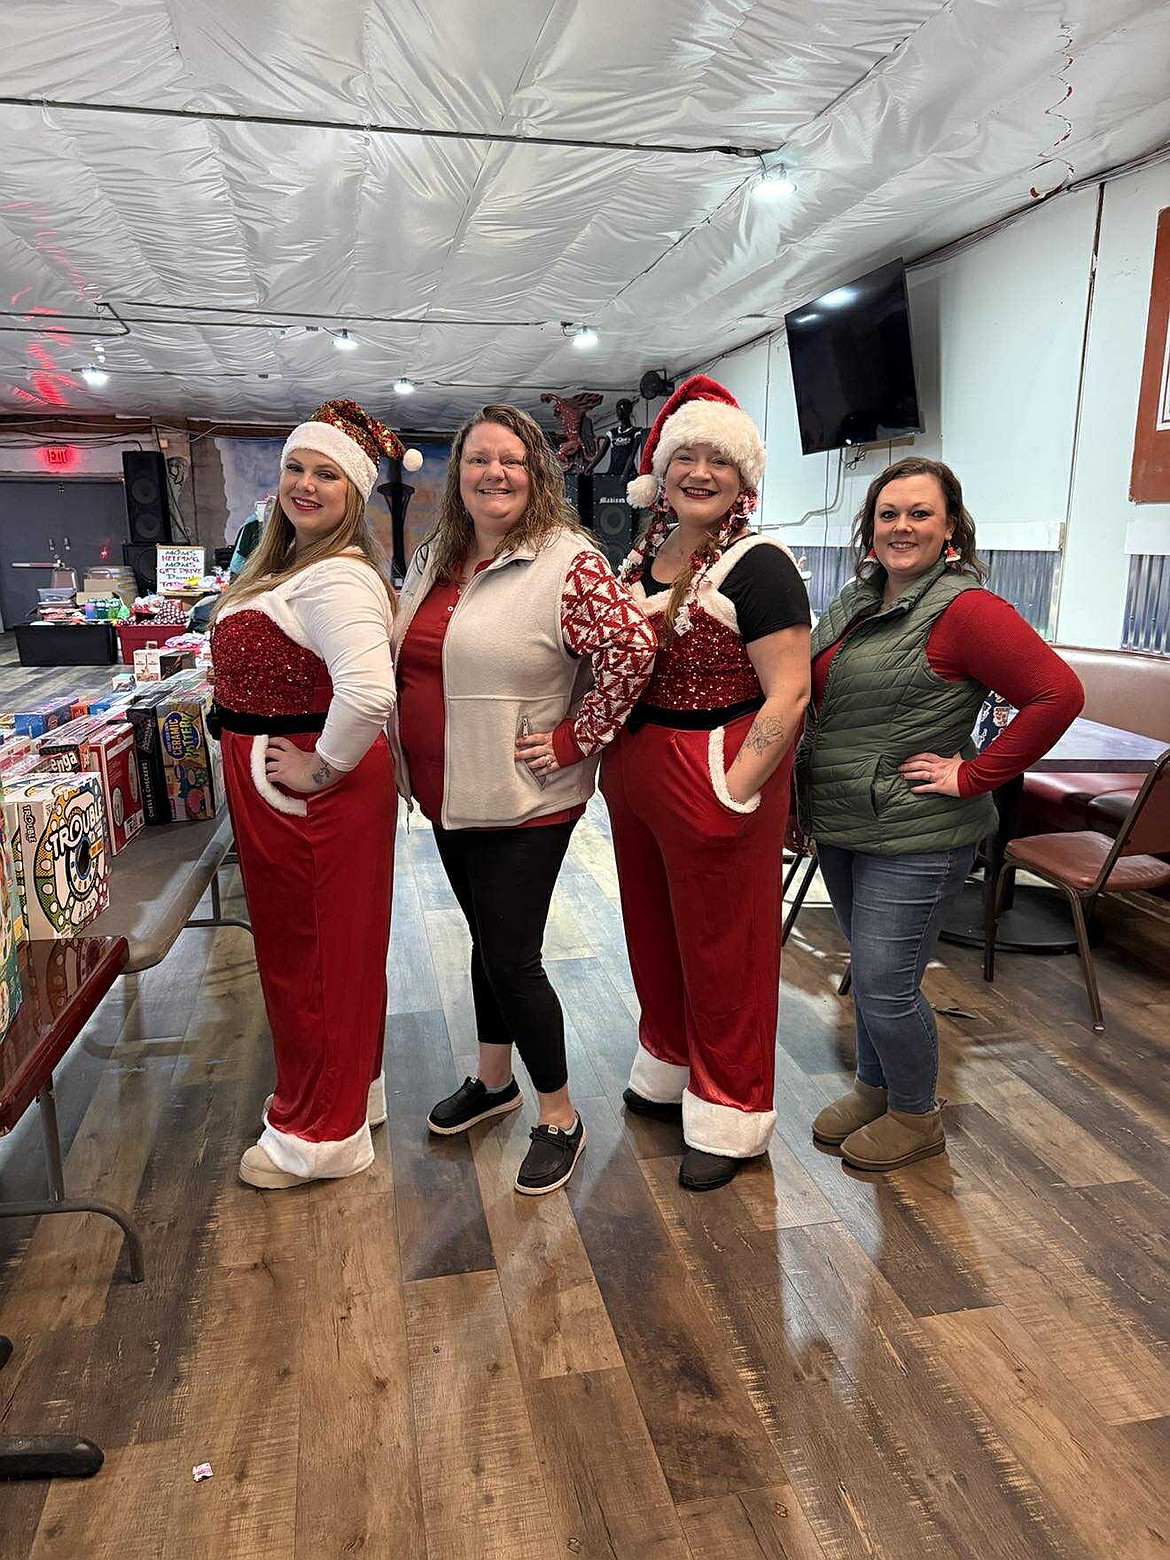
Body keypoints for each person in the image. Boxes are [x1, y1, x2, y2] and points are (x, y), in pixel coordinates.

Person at [390, 404, 656, 1195]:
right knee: (488, 939)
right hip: (449, 789)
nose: (494, 473)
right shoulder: (438, 554)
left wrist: (578, 738)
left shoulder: (566, 562)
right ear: (459, 475)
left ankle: (560, 1117)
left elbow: (633, 646)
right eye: (479, 459)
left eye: (511, 459)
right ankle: (492, 1079)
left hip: (526, 797)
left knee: (512, 956)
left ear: (537, 472)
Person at [798, 457, 1083, 1172]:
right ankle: (876, 1089)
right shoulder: (859, 597)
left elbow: (1057, 694)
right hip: (848, 820)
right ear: (870, 527)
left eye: (920, 513)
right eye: (888, 513)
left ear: (950, 526)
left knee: (887, 983)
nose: (902, 526)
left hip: (918, 833)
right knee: (869, 975)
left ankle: (916, 1114)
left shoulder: (967, 610)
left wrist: (974, 774)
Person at [603, 375, 812, 1192]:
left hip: (714, 769)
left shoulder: (761, 565)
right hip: (639, 770)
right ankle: (668, 1061)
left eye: (718, 460)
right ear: (660, 471)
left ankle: (731, 1106)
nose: (699, 472)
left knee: (727, 949)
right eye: (684, 456)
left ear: (743, 476)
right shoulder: (644, 555)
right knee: (653, 931)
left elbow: (789, 691)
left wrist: (737, 784)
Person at [210, 399, 422, 1190]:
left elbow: (367, 692)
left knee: (313, 961)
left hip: (306, 793)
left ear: (354, 491)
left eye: (327, 474)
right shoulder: (296, 564)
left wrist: (317, 769)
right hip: (291, 788)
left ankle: (319, 1137)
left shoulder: (336, 575)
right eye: (296, 468)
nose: (305, 484)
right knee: (329, 954)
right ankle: (349, 1099)